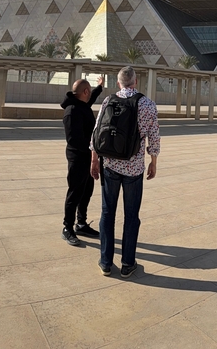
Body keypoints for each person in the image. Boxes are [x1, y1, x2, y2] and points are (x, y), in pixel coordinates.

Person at [91, 66, 160, 278]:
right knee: (131, 216)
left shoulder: (108, 100)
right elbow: (154, 136)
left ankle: (105, 262)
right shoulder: (147, 104)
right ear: (135, 82)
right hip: (134, 168)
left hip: (110, 165)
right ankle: (128, 263)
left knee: (107, 212)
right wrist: (153, 161)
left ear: (119, 82)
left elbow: (97, 131)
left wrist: (94, 159)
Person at [59, 75, 105, 247]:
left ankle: (81, 224)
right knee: (75, 193)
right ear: (84, 92)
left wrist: (99, 88)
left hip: (88, 157)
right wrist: (94, 146)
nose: (90, 95)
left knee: (86, 191)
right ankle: (67, 228)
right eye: (89, 91)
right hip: (78, 157)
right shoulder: (72, 111)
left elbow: (90, 98)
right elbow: (74, 140)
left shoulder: (81, 104)